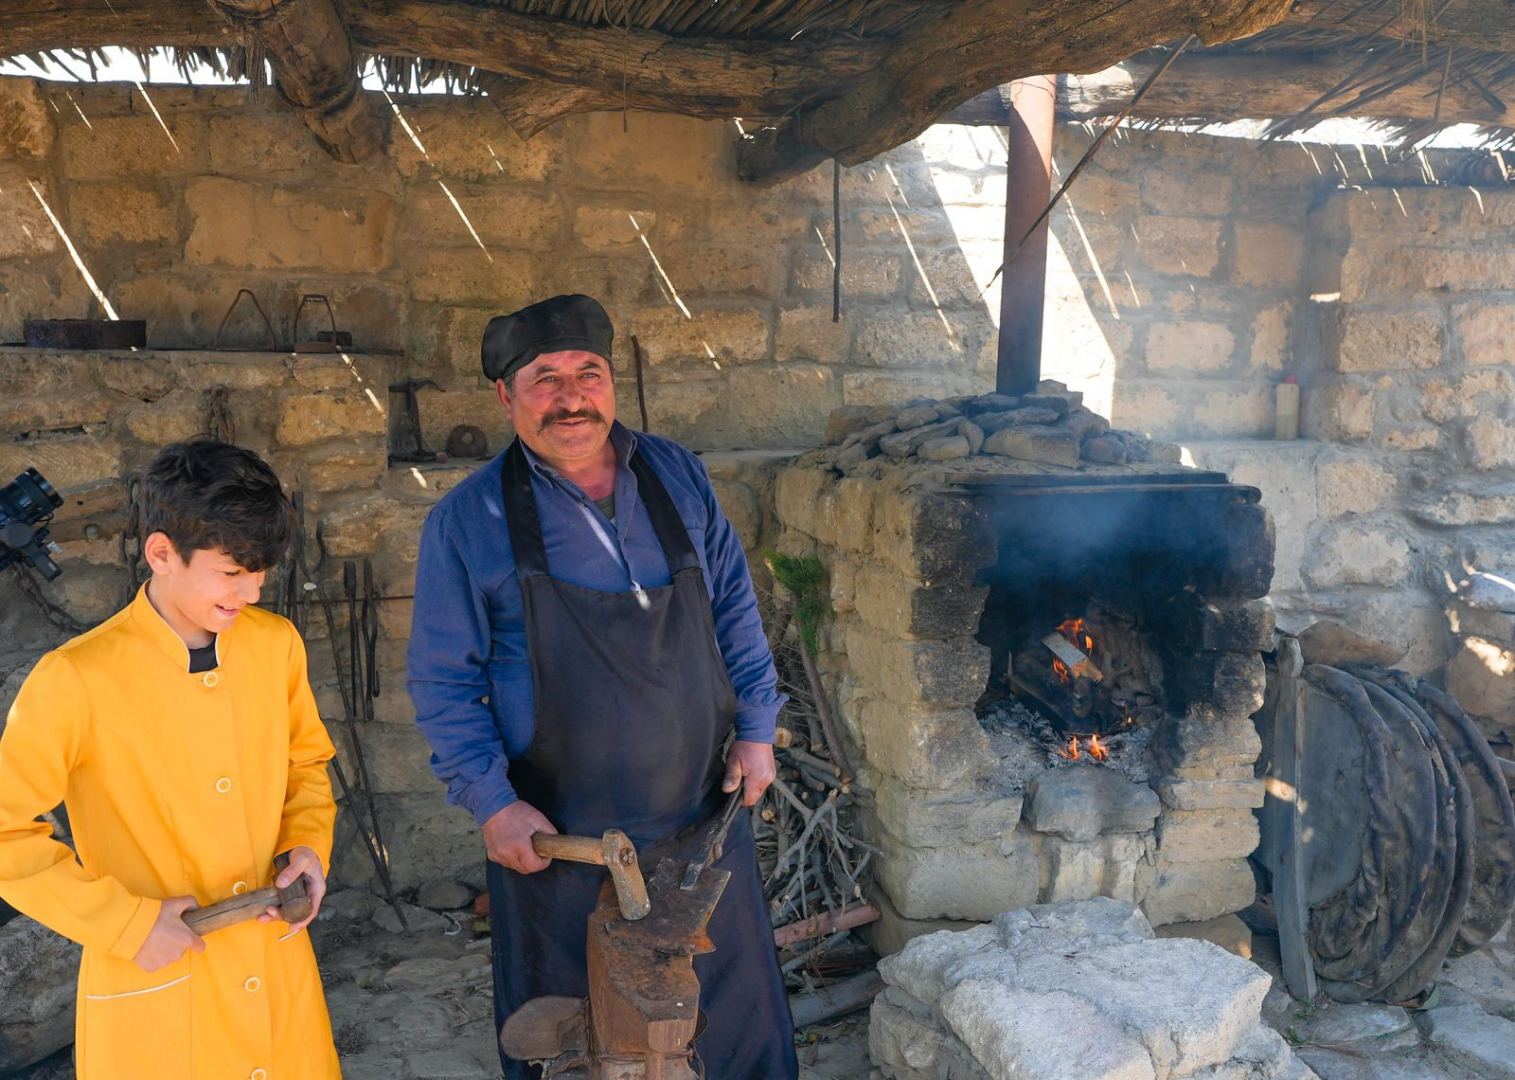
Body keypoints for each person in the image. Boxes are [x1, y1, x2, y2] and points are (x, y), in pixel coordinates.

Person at [408, 293, 798, 1079]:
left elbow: (733, 608)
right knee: (577, 1035)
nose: (571, 396)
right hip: (561, 839)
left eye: (587, 373)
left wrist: (757, 726)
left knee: (728, 1027)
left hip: (700, 821)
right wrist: (492, 801)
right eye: (544, 379)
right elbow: (443, 680)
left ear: (611, 382)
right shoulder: (469, 519)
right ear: (505, 396)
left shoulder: (676, 475)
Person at [0, 441, 341, 1079]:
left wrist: (307, 846)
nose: (252, 590)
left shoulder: (276, 647)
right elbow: (5, 834)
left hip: (275, 967)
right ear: (162, 554)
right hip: (153, 988)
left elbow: (305, 765)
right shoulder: (75, 678)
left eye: (261, 571)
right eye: (232, 571)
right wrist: (125, 924)